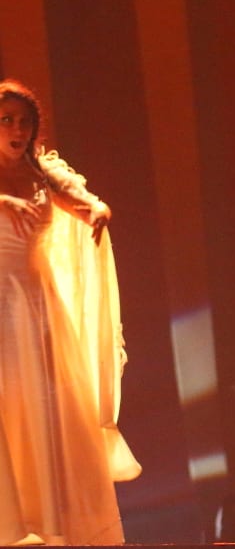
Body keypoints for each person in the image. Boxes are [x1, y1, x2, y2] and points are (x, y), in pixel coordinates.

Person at [0, 79, 140, 545]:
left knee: (49, 407)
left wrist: (97, 210)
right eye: (6, 120)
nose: (16, 130)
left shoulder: (40, 171)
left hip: (38, 304)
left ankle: (51, 521)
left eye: (24, 121)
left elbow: (86, 203)